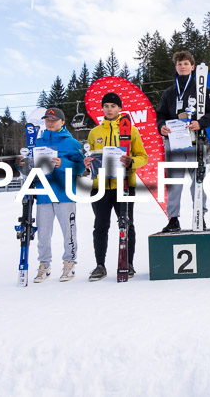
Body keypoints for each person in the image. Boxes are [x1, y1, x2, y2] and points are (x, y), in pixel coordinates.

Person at [15, 108, 85, 282]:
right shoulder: (37, 143)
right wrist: (20, 165)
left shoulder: (72, 143)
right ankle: (44, 266)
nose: (50, 122)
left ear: (62, 122)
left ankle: (69, 263)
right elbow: (29, 169)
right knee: (43, 234)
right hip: (43, 194)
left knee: (68, 231)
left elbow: (81, 168)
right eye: (47, 120)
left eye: (54, 119)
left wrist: (64, 163)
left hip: (64, 194)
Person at [84, 93, 148, 281]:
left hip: (125, 184)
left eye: (113, 105)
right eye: (106, 106)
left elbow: (143, 157)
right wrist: (86, 164)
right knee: (101, 226)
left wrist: (131, 162)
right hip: (100, 187)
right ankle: (100, 265)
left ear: (120, 108)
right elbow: (87, 160)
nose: (110, 109)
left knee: (127, 224)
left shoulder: (131, 130)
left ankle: (127, 263)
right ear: (102, 108)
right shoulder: (94, 132)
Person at [156, 51, 210, 232]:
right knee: (174, 182)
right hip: (174, 142)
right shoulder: (169, 93)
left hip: (196, 142)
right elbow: (160, 114)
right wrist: (161, 126)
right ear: (175, 67)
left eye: (186, 63)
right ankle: (173, 219)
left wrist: (200, 123)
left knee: (198, 180)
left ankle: (200, 214)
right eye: (179, 64)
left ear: (193, 67)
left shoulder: (203, 90)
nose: (182, 67)